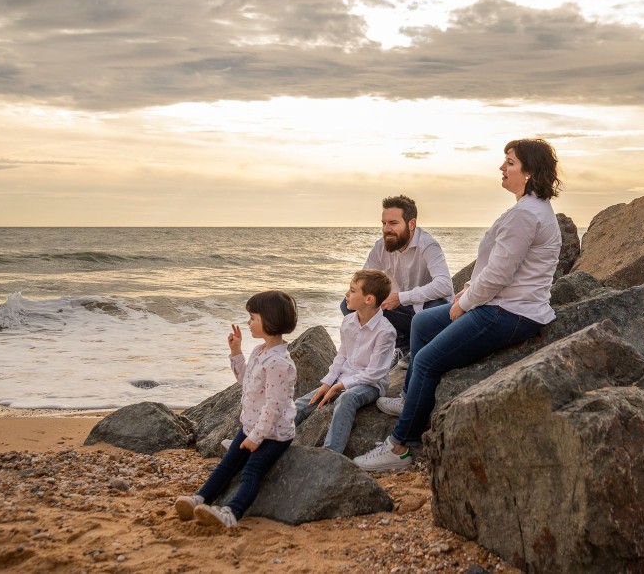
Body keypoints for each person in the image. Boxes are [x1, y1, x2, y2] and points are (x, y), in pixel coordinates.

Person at [355, 139, 562, 472]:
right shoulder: (528, 209)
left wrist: (464, 302)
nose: (502, 167)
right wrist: (468, 287)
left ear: (529, 171)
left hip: (510, 313)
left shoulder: (526, 214)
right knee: (422, 324)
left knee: (425, 360)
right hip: (501, 303)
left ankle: (398, 448)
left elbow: (499, 274)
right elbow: (500, 266)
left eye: (509, 162)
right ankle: (411, 400)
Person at [173, 290, 299, 529]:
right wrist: (236, 352)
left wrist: (256, 438)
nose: (248, 322)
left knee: (251, 470)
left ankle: (232, 513)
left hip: (273, 434)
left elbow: (274, 407)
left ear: (269, 320)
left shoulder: (280, 363)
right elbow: (245, 380)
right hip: (250, 425)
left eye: (253, 318)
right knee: (227, 464)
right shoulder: (259, 351)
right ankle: (200, 498)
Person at [294, 269, 397, 452]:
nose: (346, 294)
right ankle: (260, 439)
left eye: (352, 290)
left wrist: (340, 386)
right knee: (303, 403)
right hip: (343, 377)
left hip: (370, 385)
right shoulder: (348, 321)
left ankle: (331, 454)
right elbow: (341, 356)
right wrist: (328, 382)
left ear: (369, 299)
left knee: (347, 398)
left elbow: (375, 373)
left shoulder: (385, 331)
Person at [344, 195, 453, 367]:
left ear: (411, 224)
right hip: (399, 311)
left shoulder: (428, 245)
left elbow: (445, 285)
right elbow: (362, 280)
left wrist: (401, 297)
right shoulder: (380, 246)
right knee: (349, 303)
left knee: (436, 306)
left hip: (425, 308)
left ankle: (419, 348)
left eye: (393, 223)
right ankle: (398, 347)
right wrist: (354, 292)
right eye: (384, 223)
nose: (386, 229)